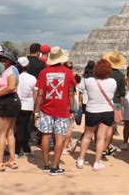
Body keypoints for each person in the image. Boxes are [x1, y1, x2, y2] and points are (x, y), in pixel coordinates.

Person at [34, 47, 76, 176]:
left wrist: (36, 110)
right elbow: (70, 93)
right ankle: (54, 166)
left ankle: (46, 164)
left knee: (45, 135)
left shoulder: (43, 72)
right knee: (59, 137)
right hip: (62, 109)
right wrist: (72, 109)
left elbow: (40, 93)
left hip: (46, 108)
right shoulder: (68, 73)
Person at [76, 59, 117, 171]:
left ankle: (80, 160)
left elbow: (83, 90)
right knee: (101, 138)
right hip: (106, 111)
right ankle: (97, 162)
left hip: (92, 110)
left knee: (87, 136)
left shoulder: (89, 81)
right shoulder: (113, 82)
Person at [0, 51, 21, 171]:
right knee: (10, 132)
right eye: (2, 59)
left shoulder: (11, 70)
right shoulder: (11, 69)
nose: (3, 61)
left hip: (7, 101)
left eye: (6, 59)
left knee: (1, 133)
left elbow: (11, 86)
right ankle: (11, 160)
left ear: (11, 60)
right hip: (12, 101)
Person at [102, 51, 127, 157]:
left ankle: (102, 146)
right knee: (111, 126)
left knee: (102, 126)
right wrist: (121, 107)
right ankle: (107, 147)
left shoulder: (104, 73)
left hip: (104, 102)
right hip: (116, 102)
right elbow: (122, 93)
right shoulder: (121, 76)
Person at [15, 57, 37, 158]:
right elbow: (35, 94)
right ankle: (17, 150)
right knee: (23, 128)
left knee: (20, 127)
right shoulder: (32, 78)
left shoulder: (16, 77)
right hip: (28, 105)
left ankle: (24, 149)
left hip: (18, 105)